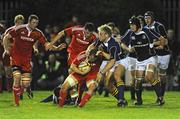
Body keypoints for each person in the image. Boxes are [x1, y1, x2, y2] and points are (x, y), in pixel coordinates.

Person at [3, 14, 52, 106]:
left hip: (26, 59)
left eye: (37, 23)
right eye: (34, 22)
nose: (35, 24)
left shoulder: (38, 33)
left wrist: (54, 47)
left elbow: (45, 43)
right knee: (16, 77)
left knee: (25, 83)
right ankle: (16, 103)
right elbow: (5, 38)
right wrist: (6, 49)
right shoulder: (17, 29)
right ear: (28, 22)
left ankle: (23, 91)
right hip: (16, 57)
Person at [127, 16, 165, 105]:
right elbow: (131, 47)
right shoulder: (132, 35)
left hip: (150, 58)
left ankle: (160, 98)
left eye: (132, 25)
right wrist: (130, 49)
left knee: (149, 77)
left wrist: (161, 46)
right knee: (138, 81)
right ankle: (139, 100)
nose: (131, 27)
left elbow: (162, 39)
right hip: (140, 60)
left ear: (137, 25)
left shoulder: (146, 31)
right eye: (130, 25)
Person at [144, 11, 170, 102]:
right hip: (153, 55)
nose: (147, 20)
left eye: (148, 18)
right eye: (145, 18)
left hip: (164, 54)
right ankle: (159, 97)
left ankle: (161, 95)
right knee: (153, 75)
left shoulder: (159, 26)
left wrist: (153, 43)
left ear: (152, 18)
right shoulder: (144, 29)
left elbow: (165, 41)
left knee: (162, 76)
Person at [3, 14, 25, 92]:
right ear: (15, 22)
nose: (20, 25)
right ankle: (10, 89)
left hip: (20, 55)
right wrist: (8, 49)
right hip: (9, 53)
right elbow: (4, 41)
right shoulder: (9, 31)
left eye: (21, 23)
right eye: (18, 23)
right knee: (8, 72)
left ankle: (19, 90)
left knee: (19, 72)